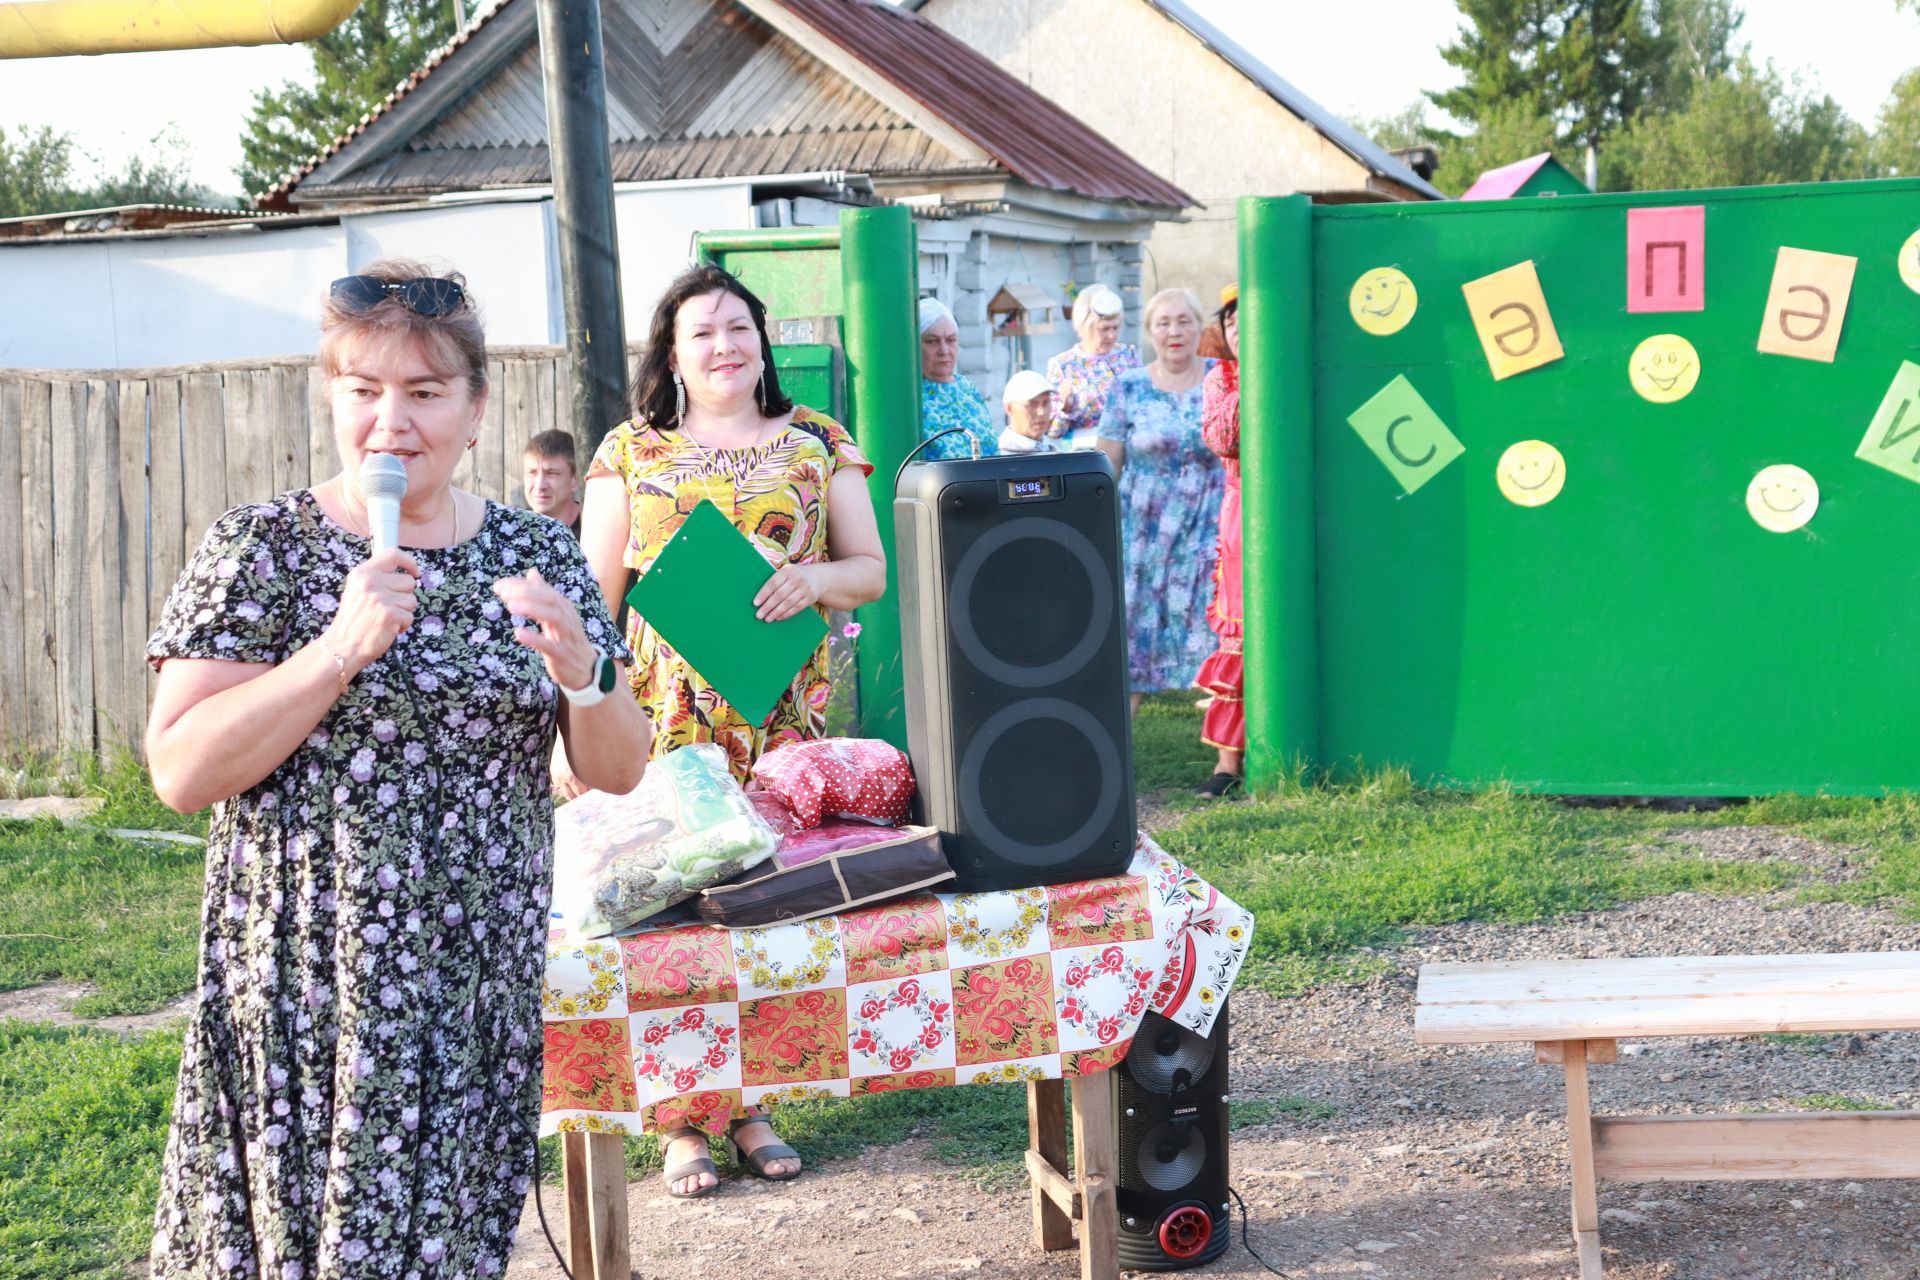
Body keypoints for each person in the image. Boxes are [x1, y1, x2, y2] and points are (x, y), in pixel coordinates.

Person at [143, 260, 651, 1278]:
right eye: (364, 390)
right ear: (332, 397)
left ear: (475, 407)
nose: (392, 420)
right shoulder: (261, 548)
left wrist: (585, 674)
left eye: (423, 392)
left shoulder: (537, 555)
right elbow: (182, 768)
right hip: (307, 993)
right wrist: (337, 648)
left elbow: (621, 764)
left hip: (468, 995)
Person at [575, 262, 887, 1198]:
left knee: (760, 907)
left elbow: (867, 569)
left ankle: (751, 1105)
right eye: (702, 331)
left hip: (779, 712)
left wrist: (814, 581)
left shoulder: (818, 440)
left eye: (739, 327)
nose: (724, 345)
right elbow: (598, 593)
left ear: (764, 343)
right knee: (669, 912)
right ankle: (681, 1121)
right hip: (662, 721)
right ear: (671, 353)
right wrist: (586, 708)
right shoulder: (628, 450)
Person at [1095, 286, 1224, 716]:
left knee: (1218, 628)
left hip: (1211, 527)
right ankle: (1114, 747)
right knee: (1134, 633)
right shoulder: (1127, 387)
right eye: (1163, 322)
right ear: (1149, 331)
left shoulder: (1223, 377)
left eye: (1184, 321)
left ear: (1199, 327)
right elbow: (1106, 465)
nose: (1174, 331)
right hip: (1144, 534)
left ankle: (1226, 747)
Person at [1195, 284, 1244, 797]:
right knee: (1240, 632)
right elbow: (1222, 439)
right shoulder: (1220, 380)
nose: (1238, 331)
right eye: (1231, 324)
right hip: (1242, 515)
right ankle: (1228, 763)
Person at [1047, 284, 1141, 449]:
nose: (1111, 335)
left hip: (1127, 448)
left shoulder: (1127, 357)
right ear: (1084, 327)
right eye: (1104, 329)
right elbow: (1053, 432)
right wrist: (1065, 407)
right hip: (1084, 456)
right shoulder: (1064, 366)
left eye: (1116, 327)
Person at [917, 297, 998, 460]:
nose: (944, 350)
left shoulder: (966, 387)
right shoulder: (912, 394)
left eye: (951, 340)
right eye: (932, 341)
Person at [522, 427, 581, 534]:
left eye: (551, 473)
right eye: (532, 473)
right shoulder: (513, 530)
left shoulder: (594, 531)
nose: (540, 486)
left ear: (575, 480)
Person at [997, 369, 1061, 453]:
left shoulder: (1058, 452)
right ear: (1009, 408)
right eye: (1032, 404)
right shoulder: (995, 457)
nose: (1041, 412)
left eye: (1046, 403)